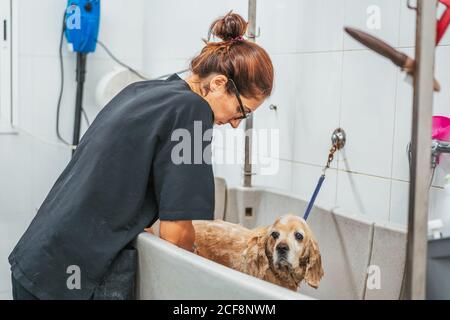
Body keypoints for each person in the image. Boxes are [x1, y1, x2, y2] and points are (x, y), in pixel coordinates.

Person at [9, 11, 274, 300]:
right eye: (241, 111)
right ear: (219, 84)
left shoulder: (146, 90)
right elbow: (176, 233)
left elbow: (125, 180)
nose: (236, 123)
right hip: (71, 280)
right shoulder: (192, 110)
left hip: (40, 260)